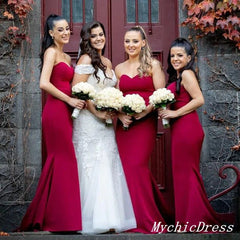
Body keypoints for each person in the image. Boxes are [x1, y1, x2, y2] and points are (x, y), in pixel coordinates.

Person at [158, 38, 234, 233]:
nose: (175, 58)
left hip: (187, 128)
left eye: (180, 55)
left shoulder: (187, 74)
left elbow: (199, 99)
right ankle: (186, 220)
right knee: (183, 175)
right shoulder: (177, 77)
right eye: (172, 55)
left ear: (189, 57)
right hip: (180, 129)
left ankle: (193, 221)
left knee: (187, 174)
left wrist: (175, 113)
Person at [17, 14, 83, 232]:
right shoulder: (51, 52)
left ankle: (59, 217)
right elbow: (44, 83)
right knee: (64, 159)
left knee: (60, 161)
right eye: (60, 30)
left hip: (66, 110)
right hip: (55, 111)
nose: (65, 33)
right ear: (51, 33)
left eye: (67, 29)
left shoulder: (65, 55)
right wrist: (69, 99)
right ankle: (61, 220)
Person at [72, 21, 136, 235]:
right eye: (94, 36)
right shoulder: (86, 59)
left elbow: (114, 92)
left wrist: (118, 111)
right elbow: (78, 90)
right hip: (89, 121)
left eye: (101, 34)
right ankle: (90, 219)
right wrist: (97, 112)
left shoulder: (107, 61)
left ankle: (110, 218)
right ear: (87, 39)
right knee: (92, 165)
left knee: (107, 164)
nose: (99, 38)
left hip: (107, 124)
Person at [115, 25, 171, 234]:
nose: (131, 45)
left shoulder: (153, 65)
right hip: (125, 126)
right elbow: (115, 98)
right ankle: (129, 219)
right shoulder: (118, 69)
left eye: (135, 41)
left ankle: (146, 219)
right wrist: (122, 113)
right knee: (125, 169)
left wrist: (145, 111)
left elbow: (161, 96)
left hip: (145, 123)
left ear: (143, 43)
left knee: (137, 166)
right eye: (127, 41)